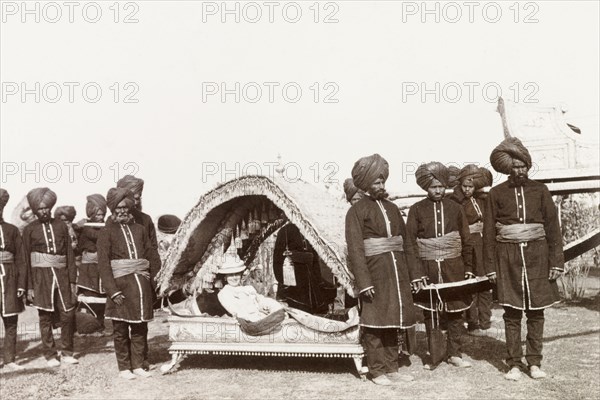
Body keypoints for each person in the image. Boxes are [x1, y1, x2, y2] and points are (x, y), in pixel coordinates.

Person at [484, 137, 563, 381]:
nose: (519, 171)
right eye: (515, 166)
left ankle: (535, 363)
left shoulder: (540, 190)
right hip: (507, 258)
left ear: (528, 166)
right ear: (508, 168)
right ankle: (514, 364)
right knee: (512, 313)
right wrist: (490, 267)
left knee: (537, 312)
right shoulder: (496, 193)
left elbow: (552, 228)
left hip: (537, 256)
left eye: (523, 166)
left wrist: (556, 262)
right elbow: (488, 232)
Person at [345, 154, 423, 385]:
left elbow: (407, 242)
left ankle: (392, 367)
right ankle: (377, 371)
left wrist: (415, 274)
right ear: (367, 185)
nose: (381, 186)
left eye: (382, 182)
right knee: (375, 323)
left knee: (394, 320)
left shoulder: (392, 208)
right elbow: (355, 249)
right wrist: (364, 282)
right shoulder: (356, 211)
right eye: (376, 183)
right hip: (374, 273)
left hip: (397, 271)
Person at [405, 162, 475, 369]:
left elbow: (466, 239)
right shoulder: (417, 210)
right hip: (427, 268)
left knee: (456, 310)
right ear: (426, 187)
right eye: (433, 187)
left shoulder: (456, 208)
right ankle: (434, 356)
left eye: (441, 186)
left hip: (454, 265)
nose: (438, 190)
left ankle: (455, 353)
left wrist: (469, 268)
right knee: (431, 311)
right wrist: (416, 273)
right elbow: (410, 242)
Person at [98, 187, 160, 380]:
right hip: (120, 288)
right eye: (119, 207)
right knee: (120, 330)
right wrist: (113, 291)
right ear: (112, 209)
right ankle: (124, 367)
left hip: (141, 287)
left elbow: (152, 256)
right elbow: (103, 265)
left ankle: (139, 364)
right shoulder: (106, 233)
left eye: (126, 207)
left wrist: (158, 279)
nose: (123, 211)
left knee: (141, 328)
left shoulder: (140, 230)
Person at [22, 188, 79, 367]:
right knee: (45, 316)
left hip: (62, 275)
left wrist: (72, 281)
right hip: (40, 277)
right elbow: (25, 259)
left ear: (51, 207)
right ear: (35, 210)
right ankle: (50, 355)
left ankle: (68, 352)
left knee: (68, 314)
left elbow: (69, 254)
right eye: (40, 209)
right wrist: (29, 286)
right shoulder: (29, 229)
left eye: (46, 208)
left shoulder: (61, 225)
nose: (44, 211)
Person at [449, 165, 493, 336]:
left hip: (482, 244)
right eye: (464, 186)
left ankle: (486, 321)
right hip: (468, 245)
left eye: (471, 186)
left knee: (486, 283)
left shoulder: (481, 199)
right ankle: (473, 323)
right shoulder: (456, 202)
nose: (467, 189)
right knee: (471, 284)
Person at [0, 189, 27, 371]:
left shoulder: (12, 230)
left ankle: (9, 360)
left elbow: (21, 258)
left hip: (10, 278)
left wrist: (21, 284)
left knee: (11, 321)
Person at [77, 194, 108, 329]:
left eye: (102, 214)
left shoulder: (104, 226)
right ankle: (90, 325)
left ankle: (100, 325)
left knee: (102, 298)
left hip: (101, 268)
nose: (100, 217)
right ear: (91, 214)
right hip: (90, 269)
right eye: (97, 214)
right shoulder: (87, 227)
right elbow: (97, 236)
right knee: (91, 298)